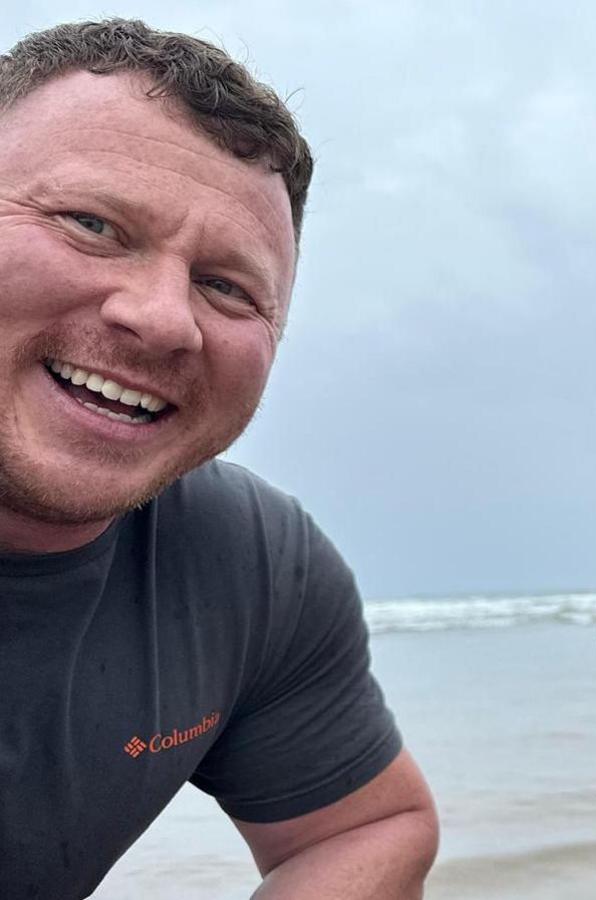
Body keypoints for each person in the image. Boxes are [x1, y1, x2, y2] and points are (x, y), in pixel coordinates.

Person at [0, 20, 436, 898]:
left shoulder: (251, 567)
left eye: (226, 286)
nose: (163, 318)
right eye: (90, 223)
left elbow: (367, 827)